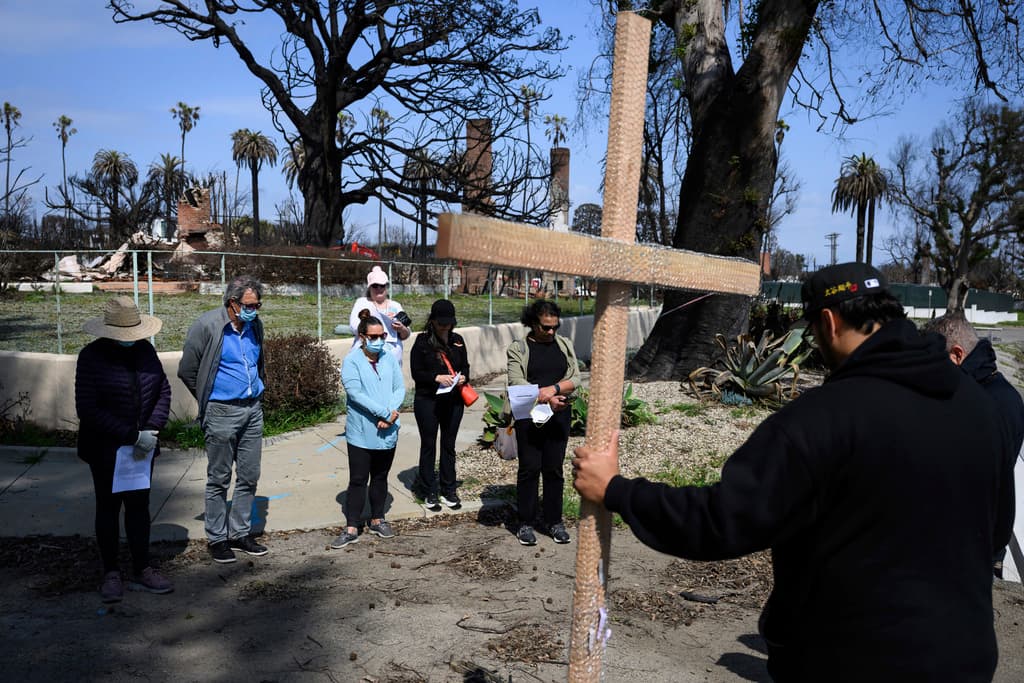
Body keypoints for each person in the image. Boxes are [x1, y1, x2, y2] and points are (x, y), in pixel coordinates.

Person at [573, 262, 1014, 681]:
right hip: (964, 658)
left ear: (829, 322)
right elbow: (996, 530)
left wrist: (616, 490)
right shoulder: (978, 404)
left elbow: (722, 520)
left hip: (851, 663)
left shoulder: (822, 419)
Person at [76, 296, 173, 602]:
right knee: (108, 508)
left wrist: (151, 429)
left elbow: (163, 390)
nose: (132, 340)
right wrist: (131, 435)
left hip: (142, 448)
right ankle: (111, 572)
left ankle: (143, 567)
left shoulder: (145, 351)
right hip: (106, 449)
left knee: (139, 507)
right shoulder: (91, 357)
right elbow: (88, 409)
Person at [924, 312, 1024, 580]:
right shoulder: (1000, 393)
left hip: (970, 547)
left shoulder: (982, 405)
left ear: (957, 355)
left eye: (935, 362)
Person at [179, 275, 269, 564]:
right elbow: (188, 370)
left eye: (257, 305)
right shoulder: (207, 326)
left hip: (252, 409)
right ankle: (217, 538)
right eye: (249, 305)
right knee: (219, 478)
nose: (254, 311)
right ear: (232, 303)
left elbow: (259, 362)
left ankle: (240, 533)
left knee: (249, 475)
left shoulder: (255, 326)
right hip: (221, 412)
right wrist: (209, 396)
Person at [508, 299, 581, 546]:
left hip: (559, 414)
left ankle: (554, 521)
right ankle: (525, 523)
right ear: (532, 323)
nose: (551, 332)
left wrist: (554, 389)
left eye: (555, 327)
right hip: (530, 416)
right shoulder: (519, 348)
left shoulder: (564, 344)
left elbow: (575, 378)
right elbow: (517, 382)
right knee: (529, 469)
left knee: (554, 470)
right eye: (545, 327)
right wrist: (544, 397)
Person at [331, 309, 405, 549]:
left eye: (381, 335)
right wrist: (383, 413)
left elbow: (399, 388)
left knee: (381, 476)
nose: (378, 340)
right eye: (373, 336)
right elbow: (355, 393)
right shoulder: (352, 361)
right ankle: (352, 525)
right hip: (362, 431)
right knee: (359, 479)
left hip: (387, 430)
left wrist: (392, 414)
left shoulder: (389, 358)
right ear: (362, 336)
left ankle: (377, 518)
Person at [410, 299, 470, 511]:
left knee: (449, 445)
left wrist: (463, 378)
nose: (446, 327)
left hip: (453, 401)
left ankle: (448, 488)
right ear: (433, 321)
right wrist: (436, 377)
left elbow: (465, 367)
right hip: (428, 400)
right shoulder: (422, 342)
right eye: (441, 323)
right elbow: (416, 372)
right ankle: (428, 490)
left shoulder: (458, 341)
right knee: (429, 444)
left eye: (449, 323)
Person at [348, 265, 410, 367]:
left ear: (386, 286)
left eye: (382, 285)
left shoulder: (396, 305)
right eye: (375, 286)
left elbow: (406, 334)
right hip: (366, 357)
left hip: (392, 360)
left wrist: (401, 328)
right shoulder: (362, 303)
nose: (379, 289)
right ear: (369, 287)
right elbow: (354, 327)